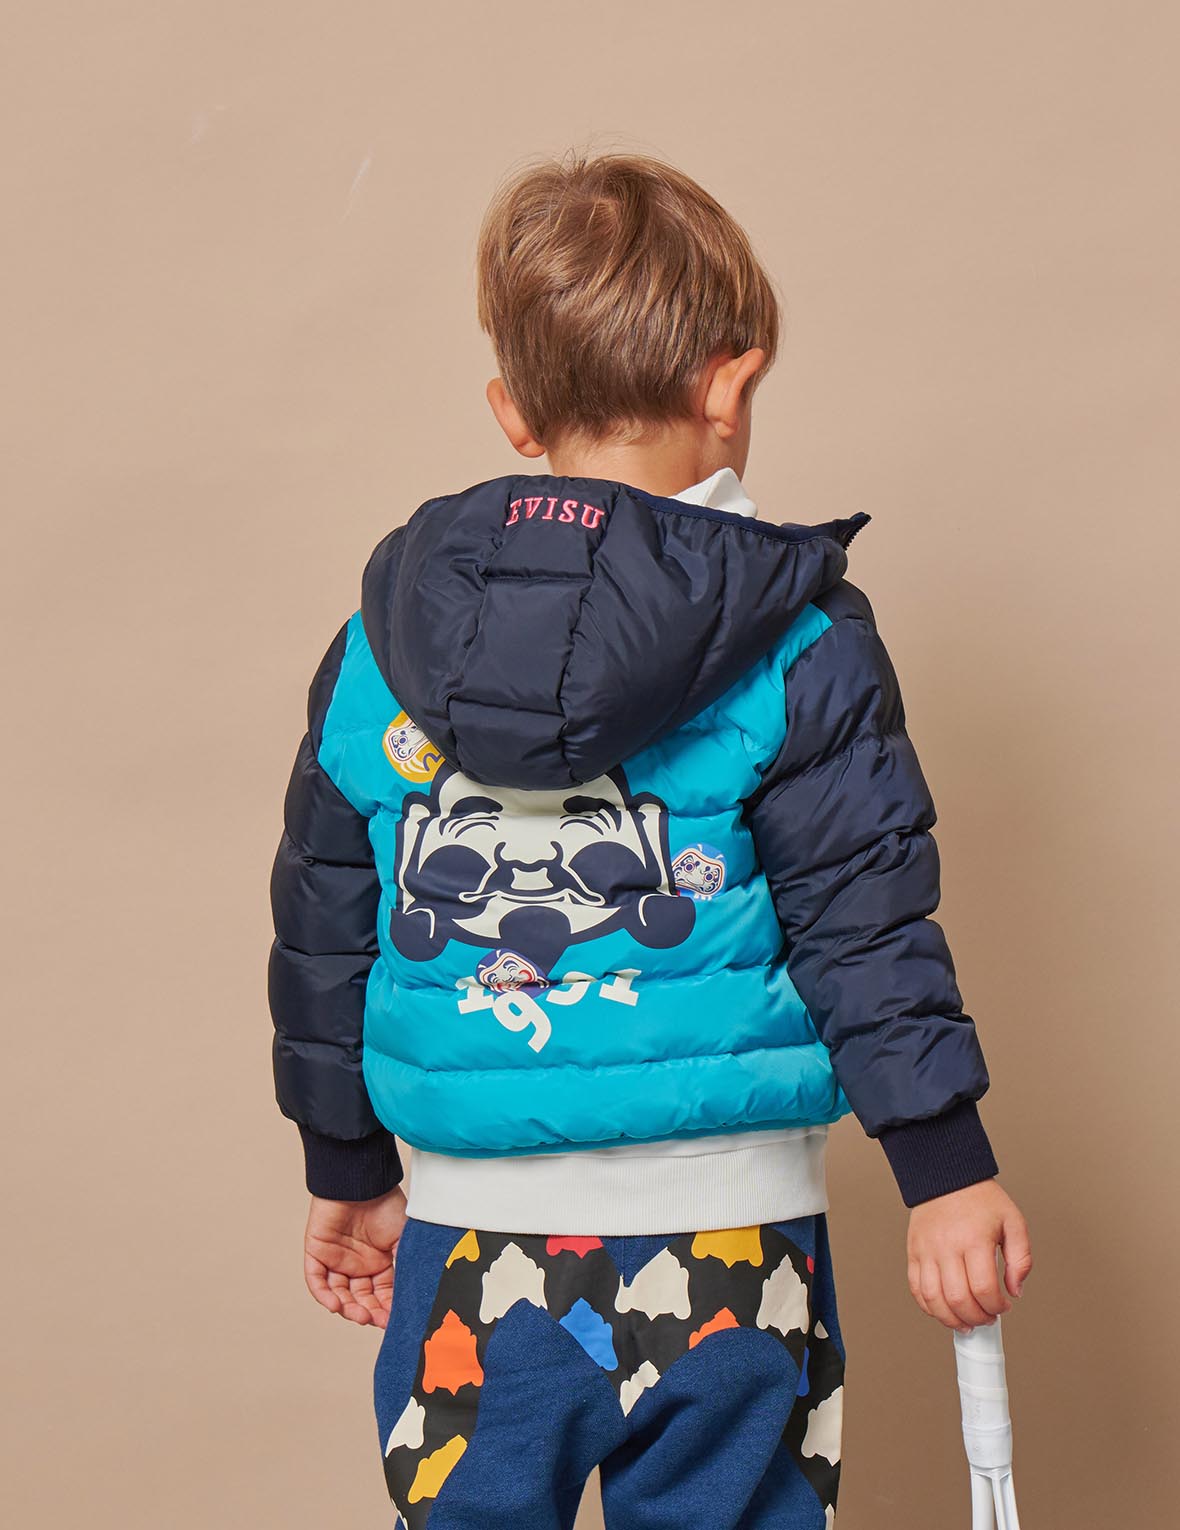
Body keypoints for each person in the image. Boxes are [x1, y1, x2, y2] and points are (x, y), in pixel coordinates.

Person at [267, 151, 1033, 1529]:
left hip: (472, 1252)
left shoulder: (376, 649)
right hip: (733, 1249)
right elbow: (865, 922)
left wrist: (347, 1166)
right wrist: (945, 1170)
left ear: (512, 411)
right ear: (731, 385)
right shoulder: (799, 641)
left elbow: (327, 923)